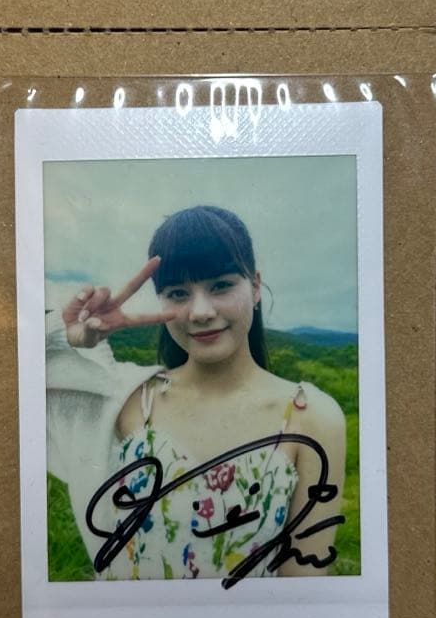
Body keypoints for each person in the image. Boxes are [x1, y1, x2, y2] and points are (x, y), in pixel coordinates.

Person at [46, 205, 345, 581]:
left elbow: (303, 592)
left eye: (221, 286)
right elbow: (6, 380)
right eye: (178, 293)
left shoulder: (310, 416)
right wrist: (70, 334)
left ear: (255, 286)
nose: (200, 312)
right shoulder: (130, 400)